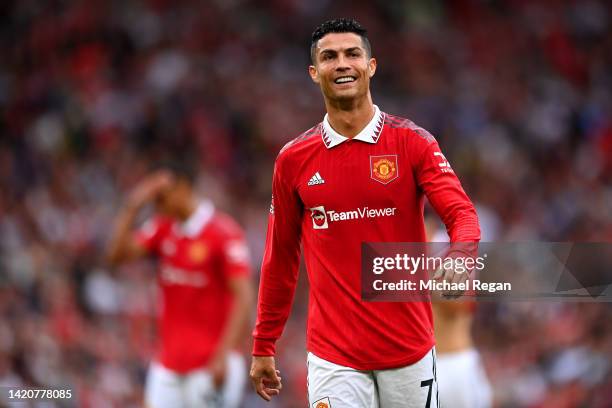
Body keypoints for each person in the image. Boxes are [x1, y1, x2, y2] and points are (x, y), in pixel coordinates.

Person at [250, 18, 480, 408]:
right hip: (333, 357)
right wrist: (263, 342)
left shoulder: (412, 143)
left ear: (371, 66)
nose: (342, 64)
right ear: (313, 73)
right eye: (329, 57)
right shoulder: (293, 160)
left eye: (352, 54)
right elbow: (280, 259)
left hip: (409, 351)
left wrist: (460, 255)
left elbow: (462, 214)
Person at [106, 162, 253, 408]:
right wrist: (134, 204)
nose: (156, 202)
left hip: (209, 364)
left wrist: (223, 355)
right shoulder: (163, 228)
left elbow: (245, 297)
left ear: (183, 189)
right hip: (168, 364)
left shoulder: (223, 233)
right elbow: (116, 256)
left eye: (161, 196)